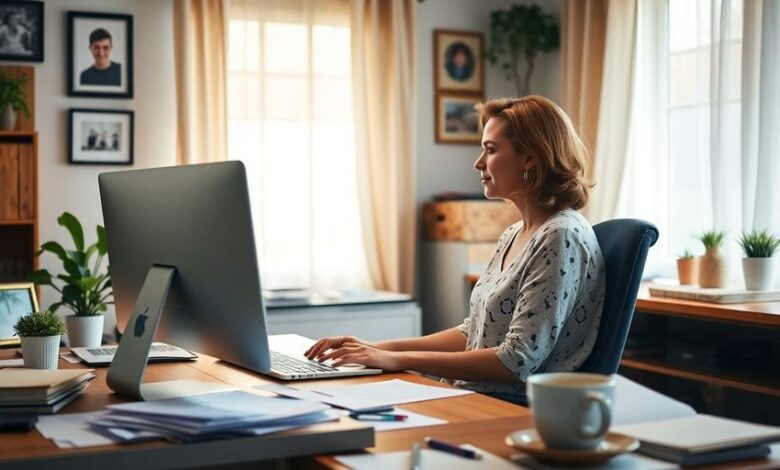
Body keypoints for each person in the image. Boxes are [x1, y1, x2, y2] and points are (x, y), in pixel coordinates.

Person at [305, 96, 606, 403]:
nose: (478, 162)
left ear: (530, 157)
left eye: (490, 150)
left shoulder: (561, 236)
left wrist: (399, 360)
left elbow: (514, 360)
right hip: (470, 395)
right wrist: (378, 348)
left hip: (506, 408)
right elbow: (473, 331)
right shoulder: (515, 233)